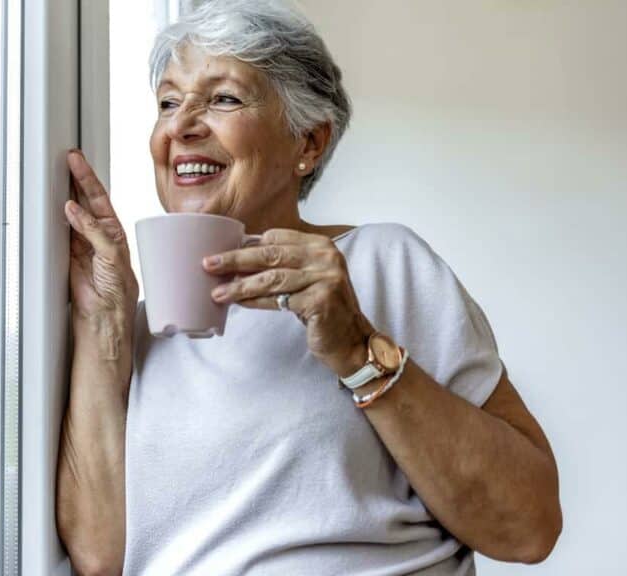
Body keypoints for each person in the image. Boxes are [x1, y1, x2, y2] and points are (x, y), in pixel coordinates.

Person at [56, 1, 562, 574]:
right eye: (169, 102)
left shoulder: (382, 264)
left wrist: (357, 349)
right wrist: (103, 322)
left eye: (223, 98)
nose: (180, 126)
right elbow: (100, 557)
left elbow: (529, 526)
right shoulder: (134, 328)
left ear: (309, 143)